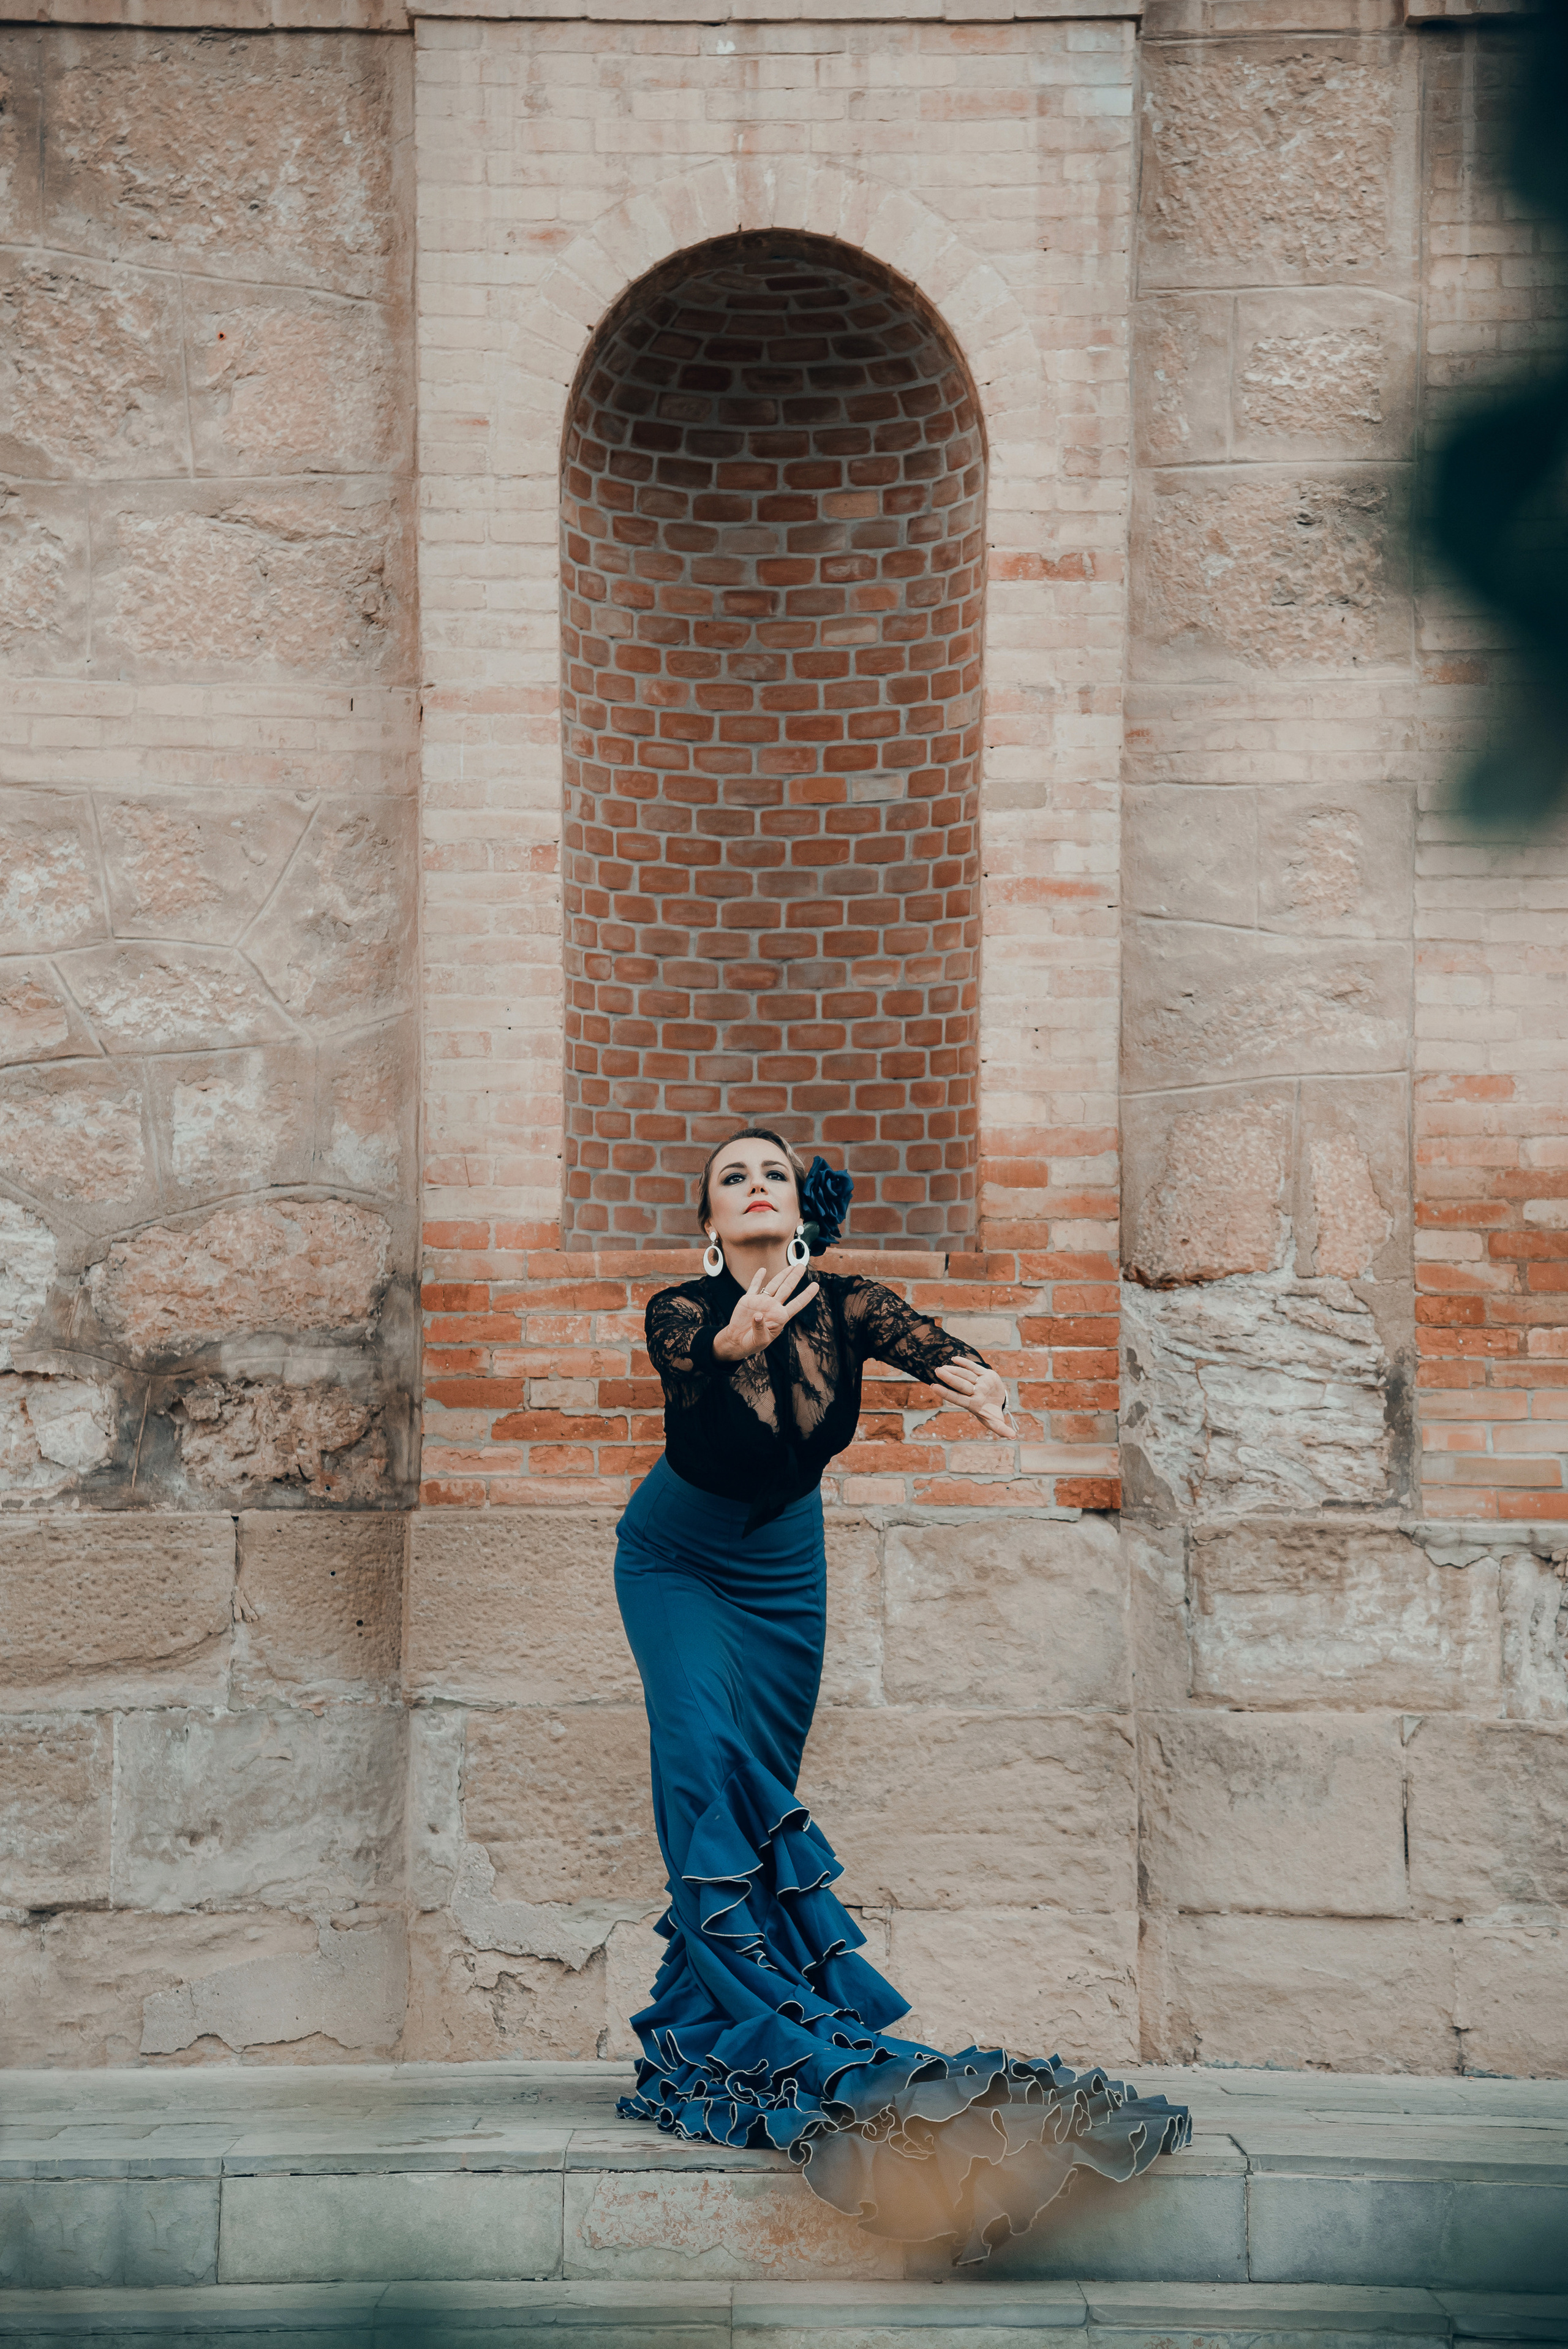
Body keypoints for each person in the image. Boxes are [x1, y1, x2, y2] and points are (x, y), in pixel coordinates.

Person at [612, 1127, 1190, 2264]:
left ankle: (704, 2032)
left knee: (760, 1780)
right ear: (709, 1222)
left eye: (771, 1171)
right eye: (733, 1177)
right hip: (674, 1560)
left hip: (785, 1577)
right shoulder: (677, 1309)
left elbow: (920, 1340)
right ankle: (775, 2027)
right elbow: (697, 1357)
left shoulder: (848, 1301)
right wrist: (741, 1333)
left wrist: (973, 1378)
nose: (755, 1186)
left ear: (797, 1206)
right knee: (699, 1759)